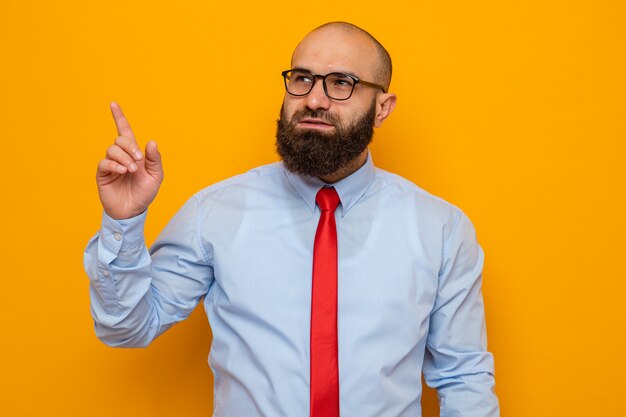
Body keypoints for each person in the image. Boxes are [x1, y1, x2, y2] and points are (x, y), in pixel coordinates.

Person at [84, 21, 499, 417]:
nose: (314, 100)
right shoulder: (216, 212)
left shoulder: (441, 230)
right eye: (302, 79)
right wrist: (125, 221)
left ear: (382, 108)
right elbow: (127, 328)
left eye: (341, 83)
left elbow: (464, 379)